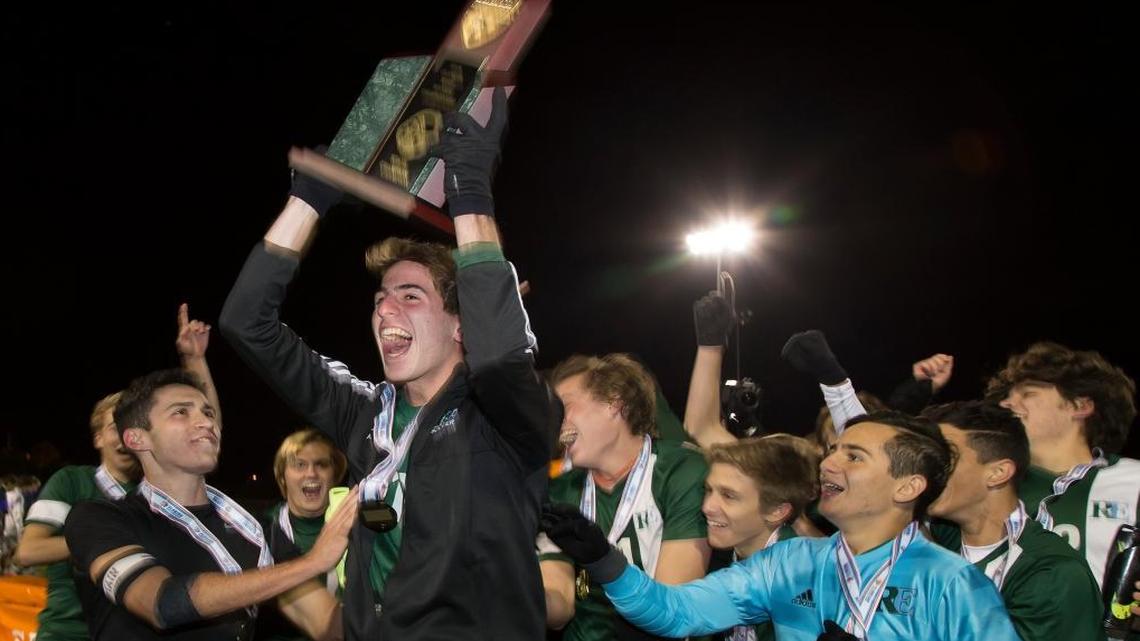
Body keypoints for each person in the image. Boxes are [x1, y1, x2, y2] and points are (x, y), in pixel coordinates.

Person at [220, 87, 558, 641]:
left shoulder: (504, 414)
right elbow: (246, 324)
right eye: (380, 299)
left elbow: (500, 358)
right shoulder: (364, 411)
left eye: (410, 296)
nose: (385, 310)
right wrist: (309, 200)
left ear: (459, 326)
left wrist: (470, 190)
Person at [542, 410, 1020, 641]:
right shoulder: (790, 563)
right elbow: (676, 612)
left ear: (907, 487)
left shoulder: (952, 583)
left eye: (854, 456)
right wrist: (603, 561)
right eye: (833, 451)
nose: (830, 464)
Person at [64, 369, 353, 641]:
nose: (206, 422)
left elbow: (325, 621)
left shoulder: (255, 529)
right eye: (180, 412)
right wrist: (313, 562)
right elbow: (161, 604)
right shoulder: (98, 519)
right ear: (137, 438)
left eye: (208, 412)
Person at [14, 304, 215, 641]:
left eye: (130, 428)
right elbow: (29, 551)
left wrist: (195, 361)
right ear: (96, 437)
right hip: (70, 632)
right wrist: (103, 539)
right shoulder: (72, 481)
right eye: (113, 428)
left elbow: (204, 427)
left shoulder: (156, 490)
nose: (123, 437)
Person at [538, 353, 710, 639]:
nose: (558, 422)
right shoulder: (560, 490)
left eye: (565, 407)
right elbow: (560, 610)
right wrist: (510, 582)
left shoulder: (679, 471)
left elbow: (673, 612)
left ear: (614, 402)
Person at [923, 400, 1102, 641]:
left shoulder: (1052, 574)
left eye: (944, 458)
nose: (925, 470)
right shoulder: (940, 538)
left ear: (998, 473)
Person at [988, 341, 1140, 587]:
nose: (1006, 403)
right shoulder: (988, 487)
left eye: (1028, 393)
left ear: (1079, 406)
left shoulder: (1134, 483)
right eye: (1007, 396)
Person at [700, 436, 818, 641]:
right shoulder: (714, 557)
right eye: (709, 490)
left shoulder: (800, 579)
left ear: (776, 511)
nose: (707, 507)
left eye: (728, 496)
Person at [257, 429, 348, 641]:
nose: (311, 473)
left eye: (321, 464)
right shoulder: (261, 531)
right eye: (299, 465)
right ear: (282, 476)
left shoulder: (354, 523)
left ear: (334, 475)